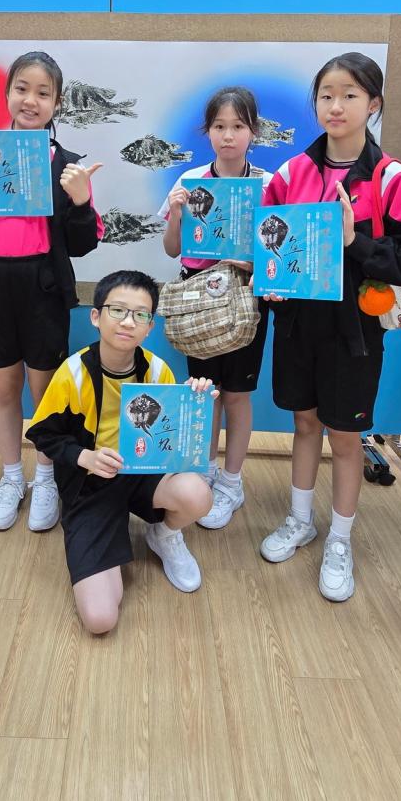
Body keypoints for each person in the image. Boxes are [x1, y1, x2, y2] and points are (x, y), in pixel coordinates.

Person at [259, 51, 401, 601]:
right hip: (299, 324)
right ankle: (300, 520)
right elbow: (269, 239)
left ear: (373, 104)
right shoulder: (291, 173)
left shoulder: (393, 178)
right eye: (326, 95)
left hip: (355, 332)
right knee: (304, 423)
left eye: (350, 95)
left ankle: (340, 540)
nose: (336, 105)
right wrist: (270, 279)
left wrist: (355, 242)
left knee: (345, 437)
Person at [0, 50, 103, 533]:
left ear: (57, 103)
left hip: (43, 285)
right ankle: (11, 476)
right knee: (3, 387)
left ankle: (45, 477)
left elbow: (81, 244)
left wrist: (80, 201)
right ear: (7, 94)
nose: (30, 100)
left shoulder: (68, 166)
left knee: (44, 389)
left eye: (43, 93)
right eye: (22, 89)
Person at [25, 270, 214, 634]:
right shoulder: (73, 373)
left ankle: (164, 535)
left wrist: (195, 402)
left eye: (141, 314)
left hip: (142, 475)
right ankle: (103, 532)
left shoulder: (157, 370)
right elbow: (43, 433)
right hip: (91, 485)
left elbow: (173, 441)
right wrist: (85, 457)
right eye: (118, 310)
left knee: (197, 494)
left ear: (150, 327)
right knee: (101, 618)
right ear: (96, 316)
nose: (128, 322)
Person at [160, 85, 270, 530]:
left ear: (253, 131)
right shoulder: (189, 183)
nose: (228, 135)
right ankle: (203, 474)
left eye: (238, 126)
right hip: (199, 300)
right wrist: (175, 214)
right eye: (220, 126)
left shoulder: (268, 185)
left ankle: (231, 482)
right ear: (207, 131)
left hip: (245, 299)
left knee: (238, 394)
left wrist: (250, 262)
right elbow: (172, 249)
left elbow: (276, 257)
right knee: (206, 391)